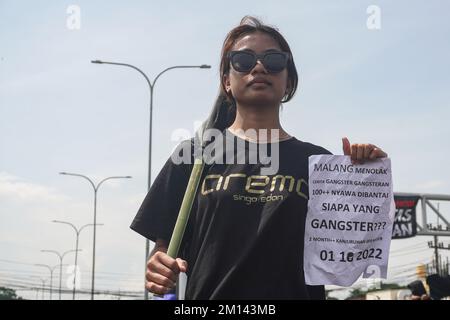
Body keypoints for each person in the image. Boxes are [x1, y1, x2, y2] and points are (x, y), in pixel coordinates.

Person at [130, 16, 388, 300]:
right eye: (243, 60)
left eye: (274, 60)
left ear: (288, 81)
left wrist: (368, 178)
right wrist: (158, 267)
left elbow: (349, 254)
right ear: (227, 81)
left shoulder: (319, 163)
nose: (260, 67)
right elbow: (164, 252)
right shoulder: (192, 155)